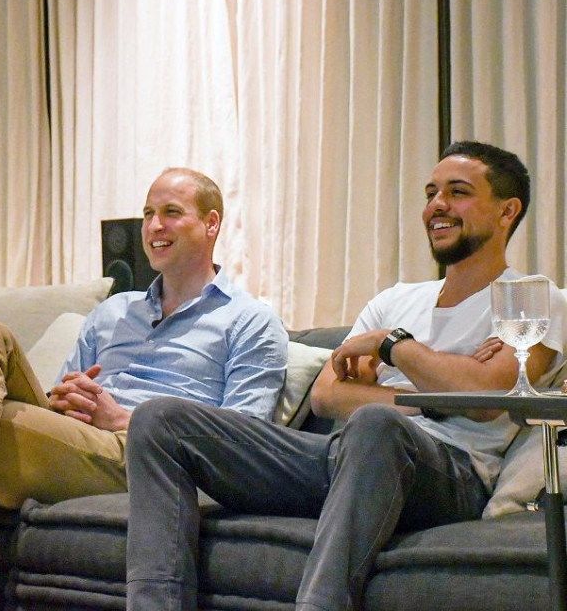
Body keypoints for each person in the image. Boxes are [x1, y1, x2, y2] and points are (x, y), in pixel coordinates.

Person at [124, 141, 567, 611]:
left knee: (376, 426)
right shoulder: (396, 298)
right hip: (345, 458)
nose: (437, 206)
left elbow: (487, 394)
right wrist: (433, 394)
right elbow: (327, 394)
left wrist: (392, 348)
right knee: (158, 421)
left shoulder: (533, 299)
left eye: (457, 192)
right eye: (430, 192)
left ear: (507, 211)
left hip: (450, 472)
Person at [0, 167, 288, 611]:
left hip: (143, 457)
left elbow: (243, 442)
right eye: (148, 213)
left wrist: (127, 420)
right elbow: (66, 399)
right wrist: (59, 401)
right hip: (76, 443)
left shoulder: (249, 320)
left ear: (211, 224)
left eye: (172, 213)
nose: (154, 226)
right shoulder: (113, 312)